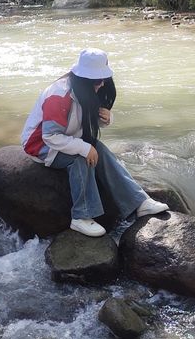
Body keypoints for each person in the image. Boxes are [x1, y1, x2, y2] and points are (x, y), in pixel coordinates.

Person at [21, 48, 169, 237]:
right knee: (80, 158)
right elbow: (50, 136)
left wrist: (106, 118)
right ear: (85, 79)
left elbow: (81, 120)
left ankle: (138, 202)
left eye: (103, 79)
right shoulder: (58, 95)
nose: (102, 84)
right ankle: (81, 216)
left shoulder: (87, 89)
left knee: (101, 151)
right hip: (41, 145)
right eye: (98, 80)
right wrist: (83, 147)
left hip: (69, 137)